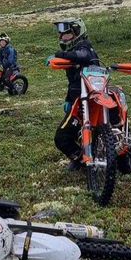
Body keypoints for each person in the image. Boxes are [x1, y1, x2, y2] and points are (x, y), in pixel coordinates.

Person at [50, 19, 100, 171]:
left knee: (111, 125)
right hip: (77, 101)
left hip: (95, 99)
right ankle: (81, 158)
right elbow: (73, 82)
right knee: (62, 138)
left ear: (77, 33)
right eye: (61, 34)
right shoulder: (71, 54)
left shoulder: (84, 47)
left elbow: (83, 55)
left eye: (67, 34)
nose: (63, 37)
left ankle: (123, 155)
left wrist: (60, 54)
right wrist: (68, 99)